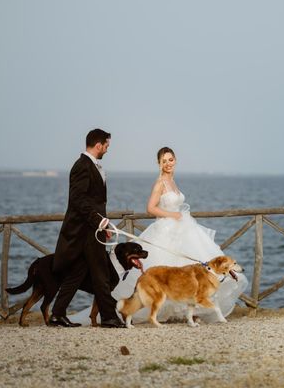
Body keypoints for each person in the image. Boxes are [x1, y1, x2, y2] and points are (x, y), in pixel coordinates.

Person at [71, 146, 248, 325]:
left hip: (184, 228)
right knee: (169, 271)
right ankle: (123, 309)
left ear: (175, 160)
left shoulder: (173, 181)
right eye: (164, 161)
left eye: (170, 160)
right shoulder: (160, 183)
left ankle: (190, 312)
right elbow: (150, 208)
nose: (168, 164)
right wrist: (173, 215)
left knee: (192, 271)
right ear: (159, 164)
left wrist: (180, 216)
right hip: (166, 229)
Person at [50, 128, 125, 328]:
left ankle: (57, 314)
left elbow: (93, 202)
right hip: (84, 232)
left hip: (93, 229)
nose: (108, 150)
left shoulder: (91, 166)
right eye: (107, 146)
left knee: (77, 273)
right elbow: (78, 199)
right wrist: (98, 221)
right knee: (101, 273)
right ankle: (109, 317)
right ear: (98, 144)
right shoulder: (82, 166)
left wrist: (104, 224)